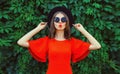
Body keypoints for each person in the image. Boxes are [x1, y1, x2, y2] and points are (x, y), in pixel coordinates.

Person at [17, 6, 101, 74]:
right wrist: (38, 29)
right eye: (57, 20)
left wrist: (82, 30)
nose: (60, 22)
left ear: (66, 22)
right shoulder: (47, 41)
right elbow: (21, 42)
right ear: (53, 22)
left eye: (63, 20)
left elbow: (97, 46)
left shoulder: (72, 42)